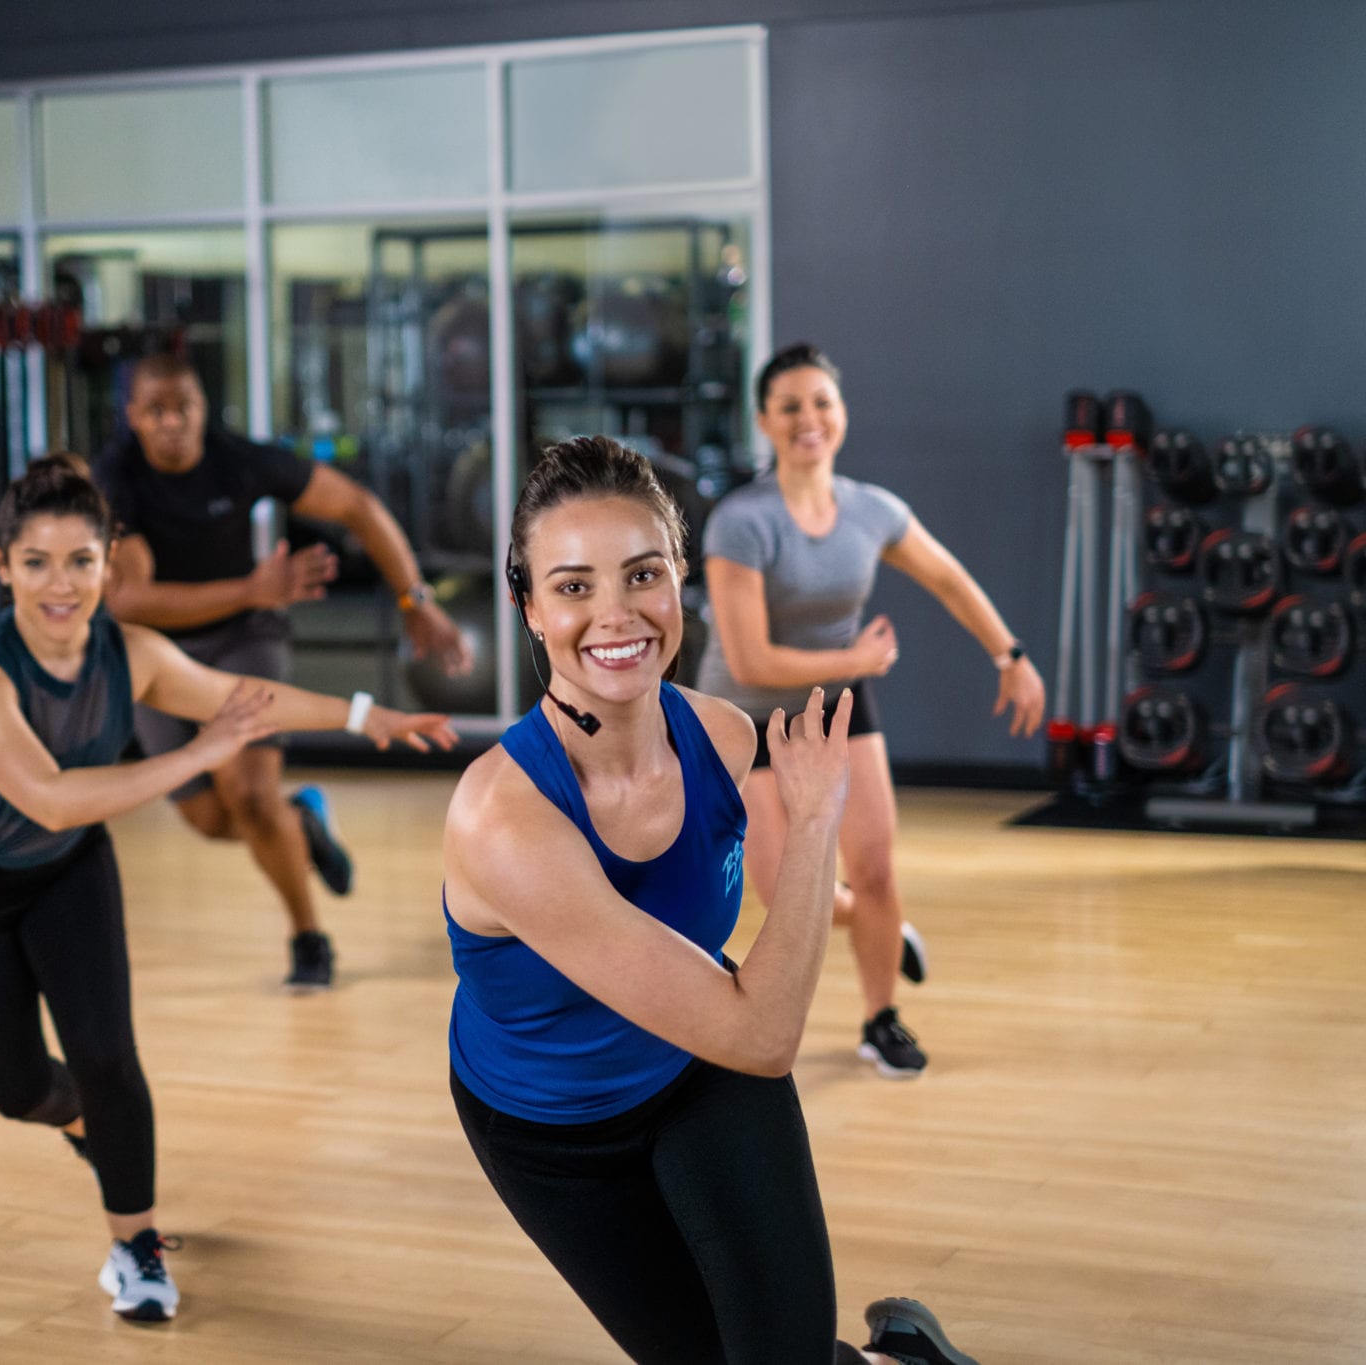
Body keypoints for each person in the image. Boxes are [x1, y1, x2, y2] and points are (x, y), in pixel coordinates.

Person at [441, 435, 979, 1365]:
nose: (615, 614)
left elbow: (751, 1030)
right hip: (553, 1133)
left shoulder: (723, 739)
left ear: (679, 576)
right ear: (527, 606)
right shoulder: (503, 819)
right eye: (572, 586)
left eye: (641, 573)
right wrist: (814, 824)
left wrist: (812, 826)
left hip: (704, 1071)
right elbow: (767, 1027)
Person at [0, 453, 456, 1323]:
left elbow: (244, 697)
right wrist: (198, 753)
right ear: (3, 563)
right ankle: (92, 1131)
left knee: (108, 1056)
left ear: (109, 560)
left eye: (81, 560)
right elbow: (48, 792)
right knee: (17, 1087)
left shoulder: (133, 652)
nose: (61, 583)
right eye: (37, 561)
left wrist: (365, 715)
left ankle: (136, 1243)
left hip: (67, 870)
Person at [696, 343, 1046, 1078]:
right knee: (785, 888)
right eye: (789, 406)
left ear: (842, 413)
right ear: (764, 420)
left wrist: (1009, 656)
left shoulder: (871, 509)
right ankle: (884, 930)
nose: (808, 419)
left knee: (877, 869)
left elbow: (949, 579)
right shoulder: (741, 521)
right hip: (749, 715)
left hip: (839, 703)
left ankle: (881, 1017)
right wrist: (853, 661)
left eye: (821, 401)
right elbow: (752, 659)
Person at [97, 352, 475, 989]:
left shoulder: (238, 459)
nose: (172, 422)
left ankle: (309, 938)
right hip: (158, 660)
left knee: (247, 795)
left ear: (202, 407)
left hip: (245, 639)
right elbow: (129, 599)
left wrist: (416, 598)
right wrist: (250, 588)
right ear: (133, 416)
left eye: (183, 406)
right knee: (212, 819)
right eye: (155, 410)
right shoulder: (116, 480)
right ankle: (302, 821)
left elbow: (356, 505)